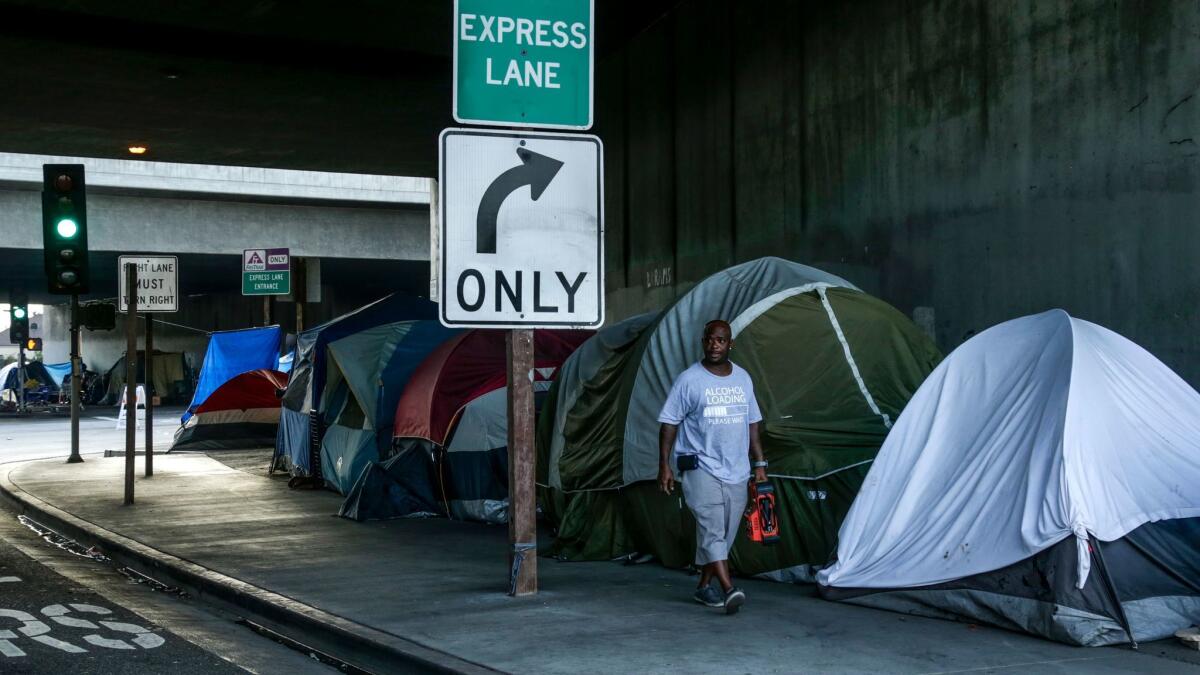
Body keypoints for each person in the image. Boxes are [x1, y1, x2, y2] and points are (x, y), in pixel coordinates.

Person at [657, 319, 768, 615]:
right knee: (712, 527)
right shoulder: (689, 380)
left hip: (737, 468)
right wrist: (664, 465)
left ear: (730, 344)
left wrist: (759, 463)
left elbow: (753, 422)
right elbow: (669, 423)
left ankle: (704, 587)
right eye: (710, 339)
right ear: (703, 341)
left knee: (725, 532)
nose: (714, 345)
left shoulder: (743, 379)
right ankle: (729, 589)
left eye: (721, 340)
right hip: (699, 467)